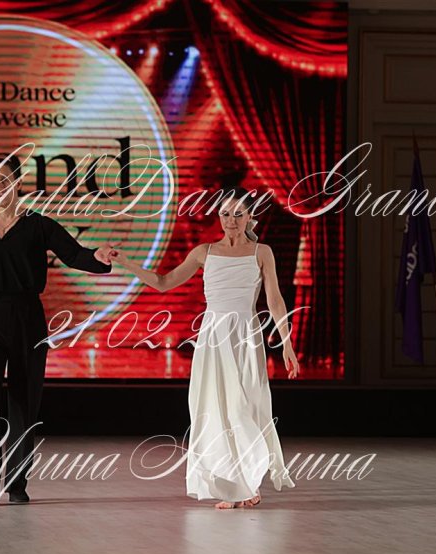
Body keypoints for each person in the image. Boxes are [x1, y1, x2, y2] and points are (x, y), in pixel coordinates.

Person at [111, 187, 298, 509]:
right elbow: (164, 282)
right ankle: (232, 486)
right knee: (215, 408)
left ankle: (248, 482)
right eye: (225, 214)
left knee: (246, 406)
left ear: (250, 216)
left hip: (245, 335)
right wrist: (127, 263)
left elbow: (275, 300)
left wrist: (287, 344)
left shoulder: (261, 252)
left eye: (238, 214)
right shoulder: (204, 252)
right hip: (213, 338)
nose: (231, 220)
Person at [0, 162, 118, 506]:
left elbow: (74, 254)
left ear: (17, 183)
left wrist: (98, 258)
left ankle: (17, 483)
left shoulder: (38, 225)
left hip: (28, 321)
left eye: (4, 180)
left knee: (24, 404)